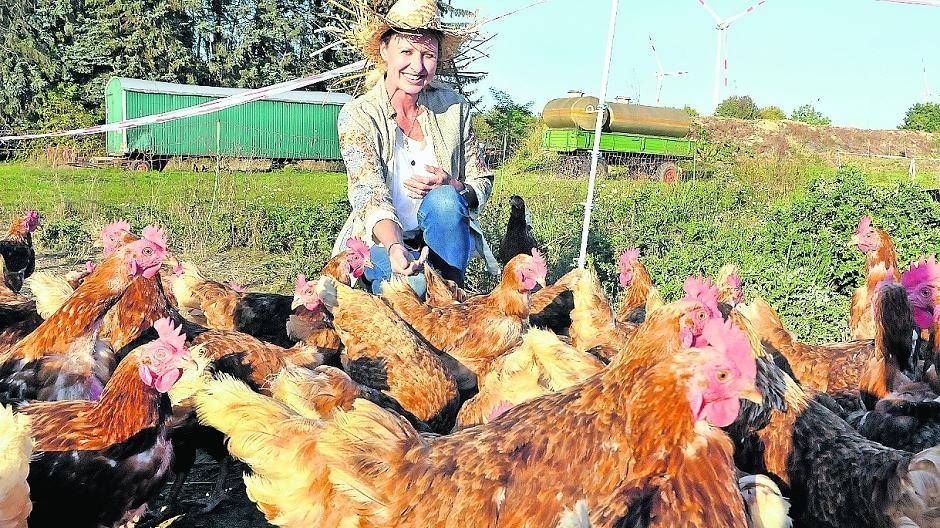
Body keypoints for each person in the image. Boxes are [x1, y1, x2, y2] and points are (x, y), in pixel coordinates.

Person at [331, 0, 499, 296]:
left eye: (428, 55)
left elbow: (482, 182)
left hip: (442, 241)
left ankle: (450, 293)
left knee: (446, 199)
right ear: (385, 50)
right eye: (406, 52)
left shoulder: (454, 109)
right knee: (415, 286)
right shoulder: (359, 115)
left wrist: (454, 184)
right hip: (383, 244)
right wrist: (396, 247)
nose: (418, 66)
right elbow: (368, 193)